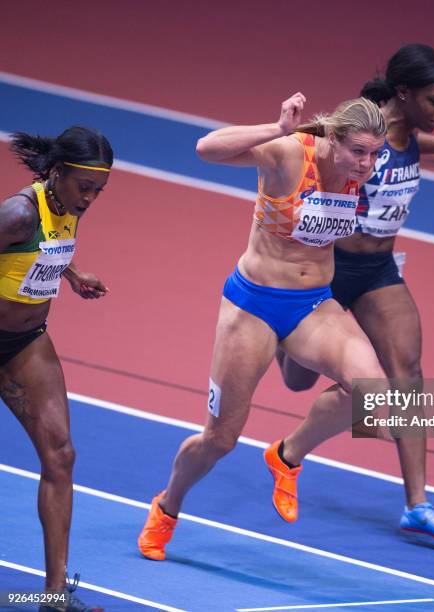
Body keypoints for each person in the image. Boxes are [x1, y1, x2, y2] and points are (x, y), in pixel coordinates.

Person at [138, 93, 388, 560]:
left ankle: (287, 455)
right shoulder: (291, 152)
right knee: (219, 440)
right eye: (358, 152)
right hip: (253, 306)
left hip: (314, 305)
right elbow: (206, 148)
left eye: (375, 153)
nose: (367, 164)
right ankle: (167, 508)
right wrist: (276, 128)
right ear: (332, 138)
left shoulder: (359, 172)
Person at [274, 44, 434, 541]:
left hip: (378, 270)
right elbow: (311, 143)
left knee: (407, 371)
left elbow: (410, 144)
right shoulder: (361, 130)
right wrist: (280, 139)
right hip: (327, 267)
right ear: (403, 93)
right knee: (296, 382)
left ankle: (417, 503)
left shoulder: (411, 132)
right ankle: (288, 342)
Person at [1, 126, 112, 611]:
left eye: (98, 190)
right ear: (56, 172)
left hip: (24, 343)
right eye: (83, 185)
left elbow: (42, 249)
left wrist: (71, 273)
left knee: (60, 457)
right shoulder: (18, 212)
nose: (90, 197)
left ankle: (52, 595)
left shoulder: (66, 207)